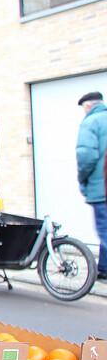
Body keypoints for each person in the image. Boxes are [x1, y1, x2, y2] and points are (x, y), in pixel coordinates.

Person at [75, 91, 107, 281]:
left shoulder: (91, 122)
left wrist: (83, 181)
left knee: (104, 229)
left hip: (101, 188)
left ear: (87, 106)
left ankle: (104, 269)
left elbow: (86, 157)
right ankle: (103, 268)